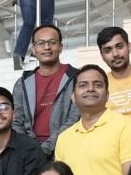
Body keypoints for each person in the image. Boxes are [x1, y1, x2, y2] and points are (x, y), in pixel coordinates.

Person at [12, 24, 81, 157]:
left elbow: (74, 119)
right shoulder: (22, 83)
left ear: (61, 47)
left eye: (52, 42)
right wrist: (30, 149)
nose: (47, 47)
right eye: (41, 43)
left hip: (65, 149)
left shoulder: (76, 78)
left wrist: (45, 148)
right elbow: (17, 122)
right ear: (33, 49)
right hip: (29, 152)